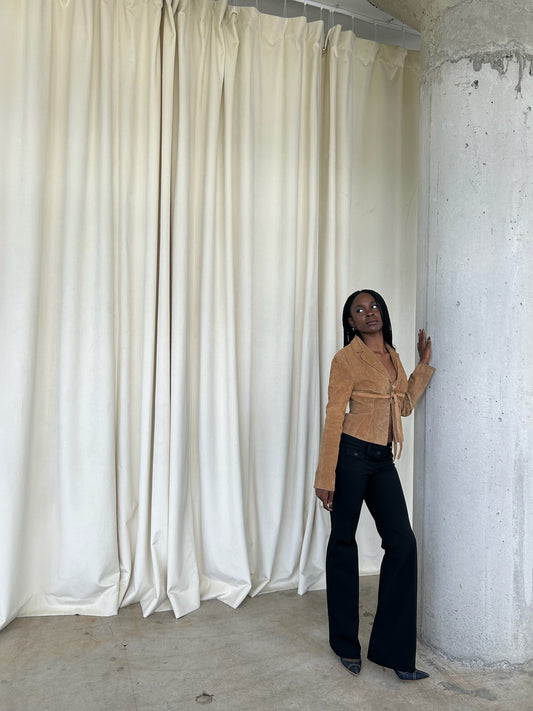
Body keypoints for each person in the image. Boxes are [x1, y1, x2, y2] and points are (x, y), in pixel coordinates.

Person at [314, 289, 435, 681]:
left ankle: (392, 652)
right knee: (343, 544)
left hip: (382, 460)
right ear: (351, 321)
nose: (369, 313)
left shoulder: (393, 357)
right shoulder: (346, 359)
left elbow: (403, 406)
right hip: (350, 457)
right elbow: (335, 416)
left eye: (374, 306)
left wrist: (422, 367)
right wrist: (325, 475)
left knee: (403, 543)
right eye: (360, 309)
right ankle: (344, 644)